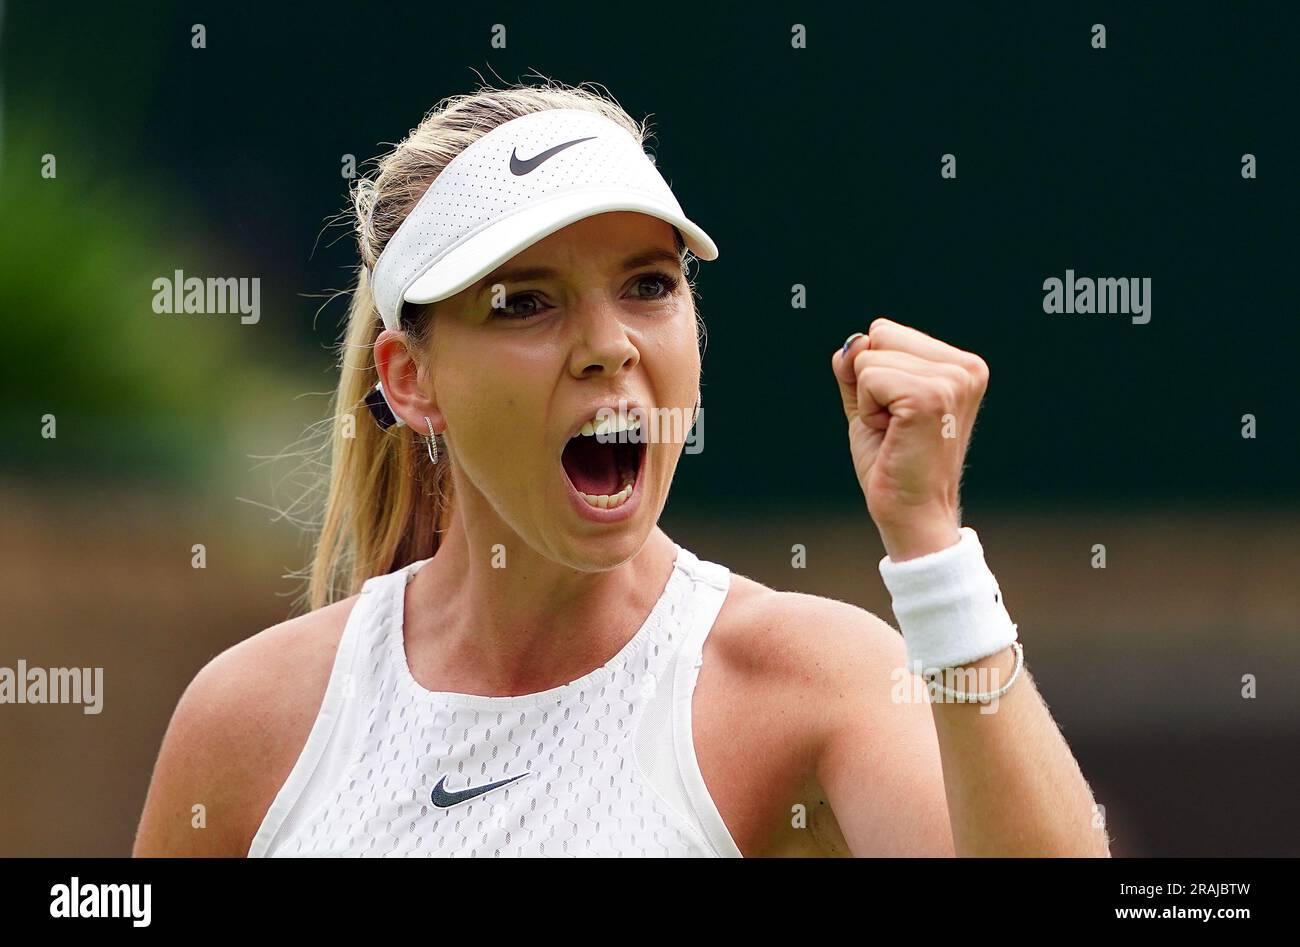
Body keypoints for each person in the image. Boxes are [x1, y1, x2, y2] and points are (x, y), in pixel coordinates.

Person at [133, 79, 1110, 857]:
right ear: (412, 379)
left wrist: (932, 546)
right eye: (526, 301)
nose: (609, 346)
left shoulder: (813, 682)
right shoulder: (248, 719)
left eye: (648, 284)